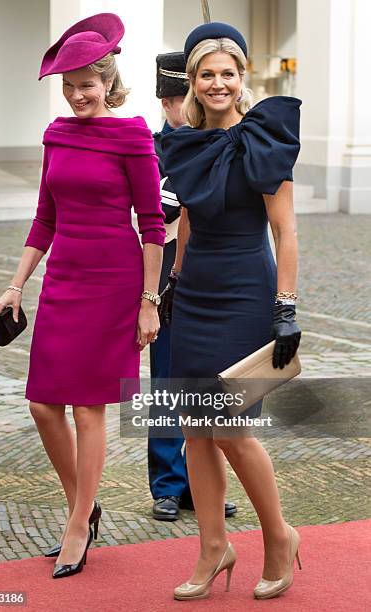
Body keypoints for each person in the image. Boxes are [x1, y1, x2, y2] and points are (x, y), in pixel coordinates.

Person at [0, 13, 165, 579]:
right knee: (44, 404)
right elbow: (45, 218)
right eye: (67, 87)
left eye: (86, 85)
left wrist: (147, 300)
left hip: (114, 283)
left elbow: (152, 224)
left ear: (108, 82)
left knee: (89, 410)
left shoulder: (133, 134)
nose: (76, 96)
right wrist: (17, 284)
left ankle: (75, 524)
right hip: (64, 280)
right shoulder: (57, 135)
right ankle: (84, 506)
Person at [160, 22, 302, 601]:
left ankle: (279, 537)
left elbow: (285, 230)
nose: (217, 83)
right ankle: (214, 546)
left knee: (231, 428)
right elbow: (189, 216)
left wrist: (285, 307)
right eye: (206, 74)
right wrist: (173, 278)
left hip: (246, 289)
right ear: (192, 82)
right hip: (195, 290)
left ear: (243, 78)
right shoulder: (187, 140)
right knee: (195, 427)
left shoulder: (263, 138)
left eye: (227, 73)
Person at [149, 52, 237, 522]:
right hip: (165, 264)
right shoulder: (152, 149)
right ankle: (167, 483)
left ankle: (204, 482)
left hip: (217, 267)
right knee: (167, 379)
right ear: (167, 102)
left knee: (210, 383)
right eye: (183, 97)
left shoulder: (224, 141)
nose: (194, 104)